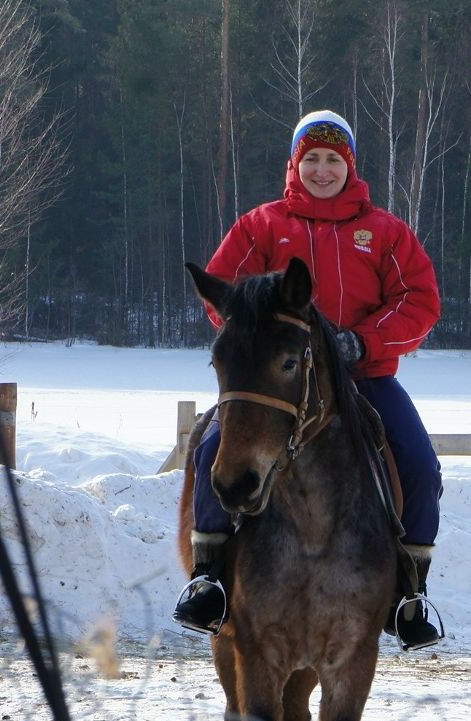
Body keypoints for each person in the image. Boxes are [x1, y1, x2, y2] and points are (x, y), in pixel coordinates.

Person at [173, 110, 443, 650]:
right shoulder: (262, 225)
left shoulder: (385, 232)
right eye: (312, 160)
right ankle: (208, 579)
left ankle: (410, 594)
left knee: (418, 462)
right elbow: (223, 289)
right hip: (278, 383)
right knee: (208, 453)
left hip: (361, 377)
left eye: (333, 160)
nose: (323, 170)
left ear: (350, 166)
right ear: (295, 165)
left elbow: (420, 300)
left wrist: (362, 341)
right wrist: (261, 336)